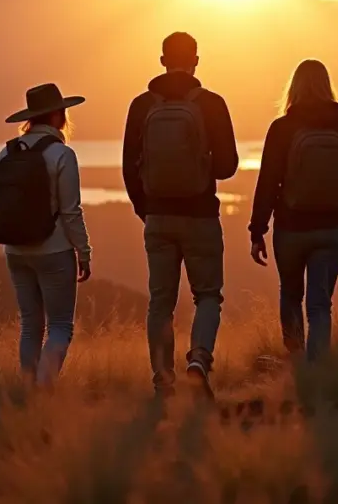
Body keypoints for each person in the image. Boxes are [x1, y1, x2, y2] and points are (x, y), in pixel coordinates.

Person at [122, 32, 239, 400]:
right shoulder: (212, 104)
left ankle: (163, 383)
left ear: (161, 61)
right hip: (201, 215)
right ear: (197, 61)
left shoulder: (141, 106)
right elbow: (228, 166)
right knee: (207, 295)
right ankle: (199, 361)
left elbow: (128, 168)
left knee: (161, 301)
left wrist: (146, 210)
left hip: (157, 217)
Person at [248, 60, 338, 362]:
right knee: (319, 306)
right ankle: (318, 372)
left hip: (290, 230)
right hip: (329, 231)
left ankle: (295, 364)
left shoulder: (282, 129)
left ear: (293, 88)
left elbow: (267, 182)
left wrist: (257, 230)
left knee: (291, 295)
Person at [0, 83, 92, 389]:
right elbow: (71, 211)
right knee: (60, 326)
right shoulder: (62, 154)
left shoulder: (7, 151)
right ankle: (43, 394)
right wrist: (83, 252)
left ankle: (26, 389)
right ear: (59, 115)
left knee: (31, 326)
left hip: (15, 249)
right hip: (55, 250)